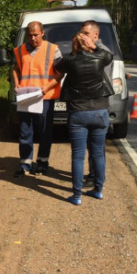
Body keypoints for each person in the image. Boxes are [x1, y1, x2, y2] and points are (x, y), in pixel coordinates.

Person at [54, 20, 113, 205]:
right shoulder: (100, 58)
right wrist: (93, 47)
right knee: (97, 153)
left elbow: (58, 67)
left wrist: (74, 50)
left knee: (78, 155)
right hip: (100, 111)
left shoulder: (69, 61)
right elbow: (108, 56)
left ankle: (77, 195)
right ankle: (98, 190)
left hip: (78, 112)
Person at [11, 21, 62, 176]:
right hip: (26, 96)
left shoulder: (53, 49)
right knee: (25, 131)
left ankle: (42, 163)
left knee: (44, 131)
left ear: (42, 33)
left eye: (36, 35)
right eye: (30, 35)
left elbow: (60, 73)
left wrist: (46, 87)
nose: (33, 38)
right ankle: (25, 164)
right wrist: (16, 84)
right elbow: (15, 69)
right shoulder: (19, 51)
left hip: (45, 96)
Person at [77, 21, 113, 188]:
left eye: (85, 32)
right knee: (93, 145)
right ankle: (95, 174)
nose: (82, 35)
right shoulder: (93, 51)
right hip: (93, 104)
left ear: (95, 35)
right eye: (81, 32)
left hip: (99, 104)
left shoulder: (102, 51)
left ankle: (97, 177)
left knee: (96, 147)